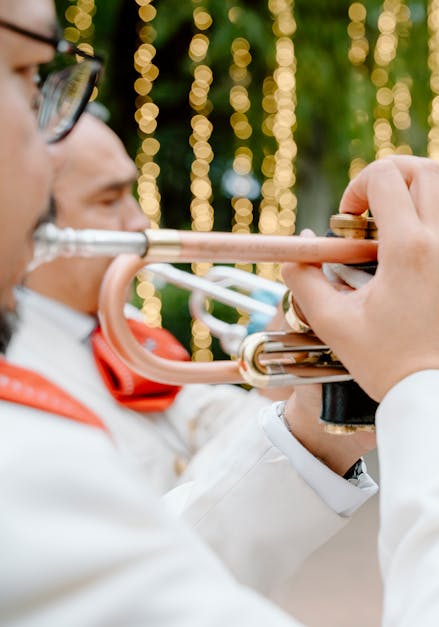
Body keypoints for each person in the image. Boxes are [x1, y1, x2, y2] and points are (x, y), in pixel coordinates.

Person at [0, 4, 439, 625]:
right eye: (33, 74)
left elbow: (159, 556)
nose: (46, 152)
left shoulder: (120, 342)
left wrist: (318, 417)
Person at [8, 112, 378, 594]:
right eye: (108, 199)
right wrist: (315, 429)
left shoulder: (124, 330)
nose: (138, 221)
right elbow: (134, 573)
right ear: (23, 220)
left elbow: (217, 429)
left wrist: (288, 358)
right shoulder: (18, 373)